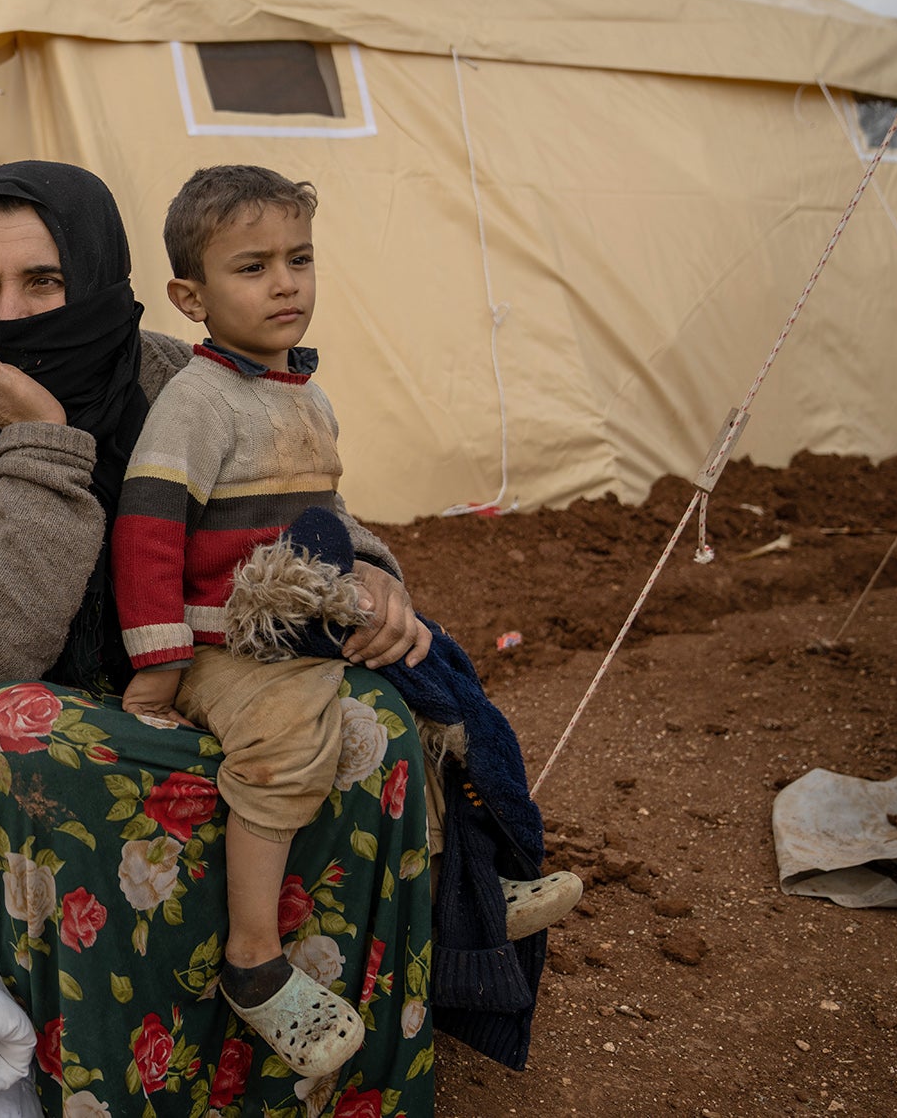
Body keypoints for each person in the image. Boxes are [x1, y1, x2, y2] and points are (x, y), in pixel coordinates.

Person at [0, 161, 440, 1118]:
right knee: (35, 743)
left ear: (102, 279)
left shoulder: (182, 377)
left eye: (45, 281)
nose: (12, 313)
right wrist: (43, 444)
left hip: (183, 679)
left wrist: (361, 570)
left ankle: (324, 1092)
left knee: (371, 722)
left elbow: (293, 499)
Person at [109, 165, 582, 1078]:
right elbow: (147, 534)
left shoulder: (303, 393)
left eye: (300, 258)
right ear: (190, 296)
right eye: (252, 267)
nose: (286, 283)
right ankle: (253, 959)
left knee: (435, 688)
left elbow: (321, 519)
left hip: (305, 622)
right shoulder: (197, 403)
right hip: (228, 640)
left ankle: (468, 896)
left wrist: (367, 590)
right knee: (289, 739)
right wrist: (159, 667)